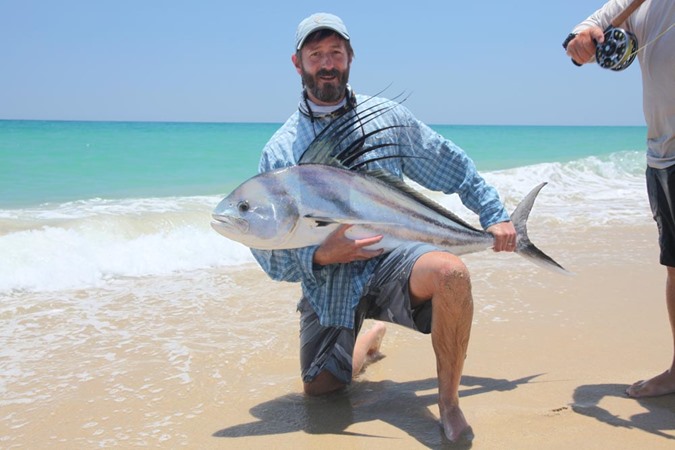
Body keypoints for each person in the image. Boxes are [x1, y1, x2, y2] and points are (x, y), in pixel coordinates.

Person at [250, 12, 517, 442]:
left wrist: (495, 216)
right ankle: (368, 338)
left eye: (335, 52)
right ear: (297, 63)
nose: (327, 63)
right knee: (322, 392)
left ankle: (448, 403)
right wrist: (320, 253)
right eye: (315, 54)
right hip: (330, 284)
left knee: (452, 273)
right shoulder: (281, 150)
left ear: (351, 57)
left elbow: (452, 165)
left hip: (396, 263)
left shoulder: (387, 119)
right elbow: (269, 259)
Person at [565, 0, 675, 398]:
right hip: (662, 156)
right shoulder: (638, 4)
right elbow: (581, 38)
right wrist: (582, 42)